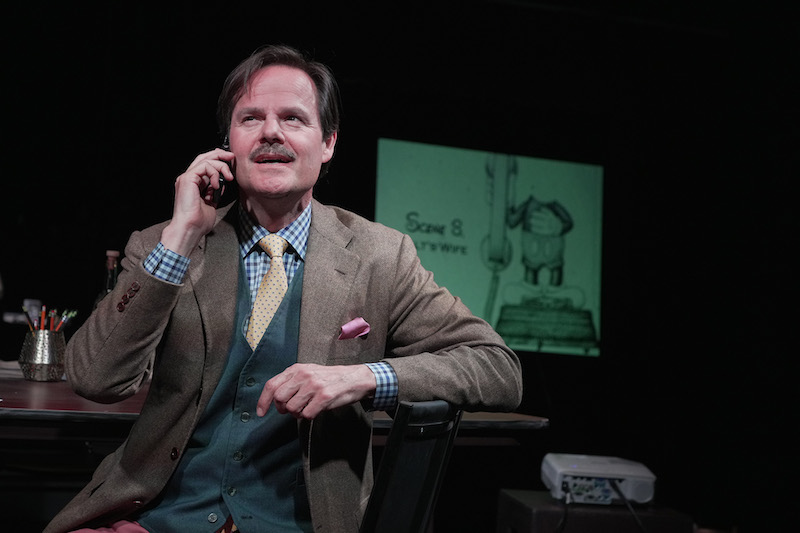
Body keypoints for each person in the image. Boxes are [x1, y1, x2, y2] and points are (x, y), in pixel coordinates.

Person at [45, 44, 523, 533]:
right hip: (162, 518)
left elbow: (498, 369)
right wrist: (180, 239)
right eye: (250, 118)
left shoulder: (380, 256)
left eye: (293, 118)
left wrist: (364, 378)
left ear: (329, 143)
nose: (271, 131)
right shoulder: (165, 245)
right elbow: (94, 379)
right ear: (228, 142)